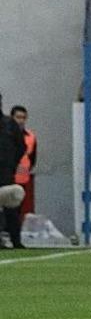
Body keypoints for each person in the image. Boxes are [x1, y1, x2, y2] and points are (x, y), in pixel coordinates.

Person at [0, 94, 26, 250]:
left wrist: (11, 163)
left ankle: (16, 240)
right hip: (6, 170)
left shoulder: (10, 124)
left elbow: (21, 147)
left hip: (5, 172)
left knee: (10, 206)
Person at [11, 105, 36, 216]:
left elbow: (32, 158)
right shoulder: (5, 135)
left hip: (22, 177)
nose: (21, 121)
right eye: (18, 117)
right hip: (6, 178)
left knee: (19, 209)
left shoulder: (30, 136)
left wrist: (24, 170)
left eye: (23, 118)